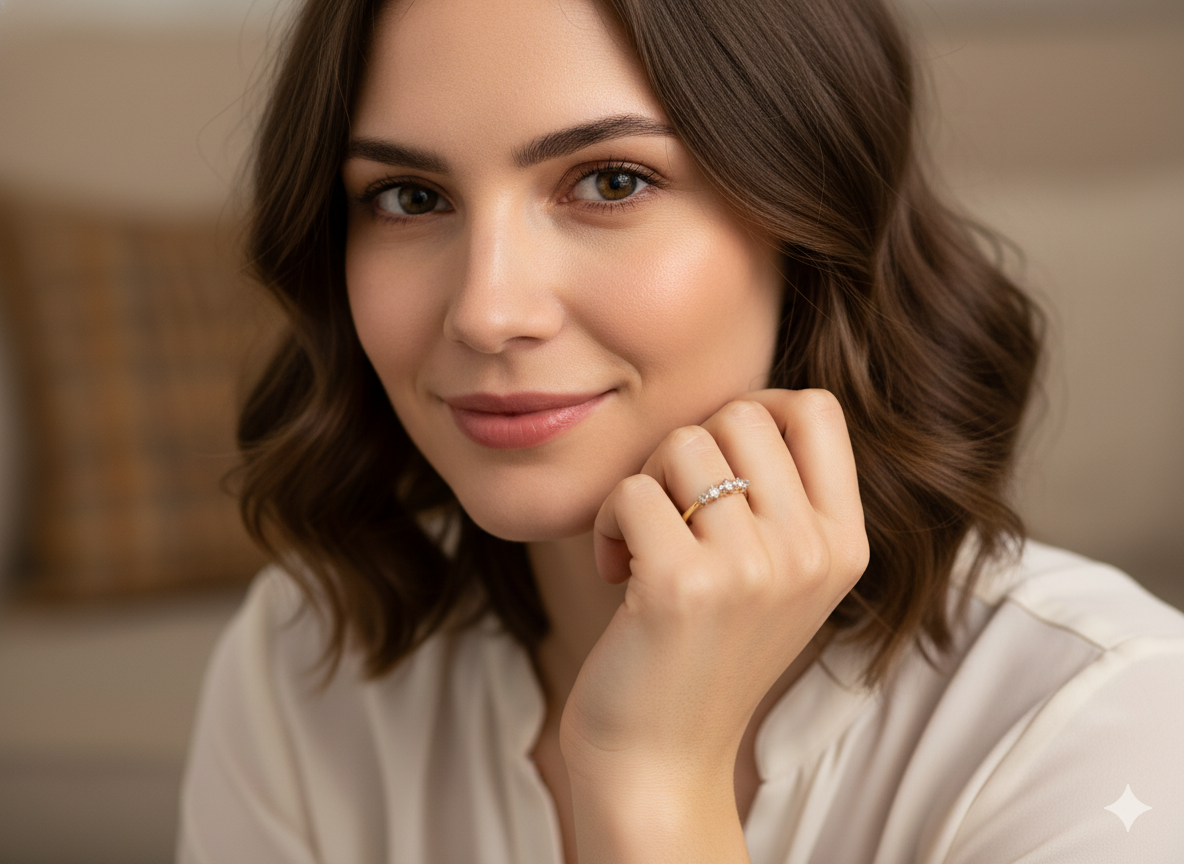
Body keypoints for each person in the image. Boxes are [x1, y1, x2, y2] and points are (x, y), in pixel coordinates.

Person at [177, 0, 1184, 861]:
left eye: (610, 181)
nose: (485, 310)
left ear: (805, 214)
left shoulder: (1108, 721)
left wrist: (650, 780)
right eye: (409, 197)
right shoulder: (302, 662)